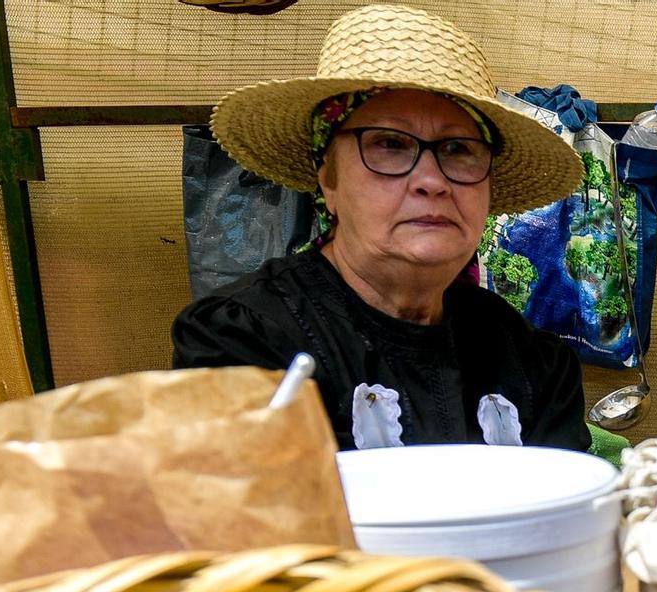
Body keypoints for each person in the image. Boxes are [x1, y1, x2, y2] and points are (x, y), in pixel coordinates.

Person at [172, 4, 592, 451]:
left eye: (458, 149)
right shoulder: (241, 343)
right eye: (389, 144)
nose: (432, 181)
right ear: (328, 178)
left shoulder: (533, 363)